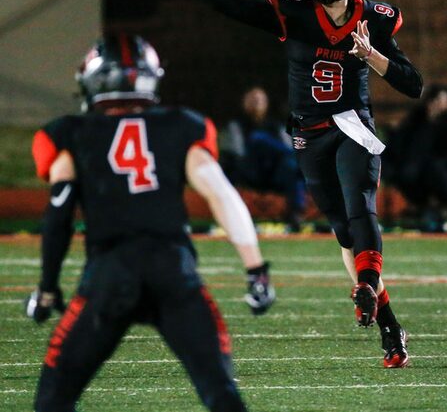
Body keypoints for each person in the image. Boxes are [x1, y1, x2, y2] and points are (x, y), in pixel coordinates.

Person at [141, 0, 422, 368]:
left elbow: (413, 85)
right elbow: (225, 3)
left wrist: (372, 55)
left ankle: (366, 285)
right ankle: (388, 322)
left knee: (360, 206)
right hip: (307, 133)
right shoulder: (294, 10)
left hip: (352, 124)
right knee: (344, 231)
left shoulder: (375, 19)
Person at [25, 35, 276, 412]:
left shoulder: (67, 132)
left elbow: (59, 215)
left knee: (53, 400)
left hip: (110, 275)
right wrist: (256, 269)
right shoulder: (182, 124)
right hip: (173, 271)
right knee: (220, 392)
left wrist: (47, 289)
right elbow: (222, 195)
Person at [386, 84, 447, 230]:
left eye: (444, 101)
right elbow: (408, 144)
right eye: (437, 100)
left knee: (437, 170)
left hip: (446, 166)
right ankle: (423, 207)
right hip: (417, 165)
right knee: (405, 172)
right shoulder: (416, 119)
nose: (440, 104)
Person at [222, 86, 306, 230]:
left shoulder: (275, 125)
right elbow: (236, 154)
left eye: (260, 100)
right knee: (258, 139)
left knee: (292, 167)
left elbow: (287, 147)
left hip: (274, 173)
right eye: (253, 100)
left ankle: (295, 214)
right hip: (249, 171)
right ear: (244, 103)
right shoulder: (236, 125)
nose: (257, 103)